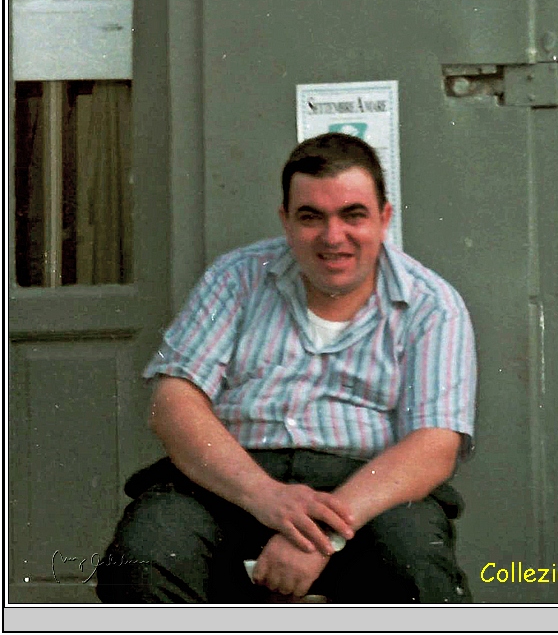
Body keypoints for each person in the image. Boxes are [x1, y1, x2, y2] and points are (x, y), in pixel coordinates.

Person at [97, 132, 477, 603]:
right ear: (286, 220)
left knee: (415, 564)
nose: (332, 237)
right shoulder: (235, 278)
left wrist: (321, 530)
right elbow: (173, 403)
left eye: (352, 215)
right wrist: (267, 497)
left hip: (364, 491)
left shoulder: (431, 304)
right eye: (311, 217)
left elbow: (434, 444)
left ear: (384, 218)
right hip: (234, 481)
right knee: (144, 557)